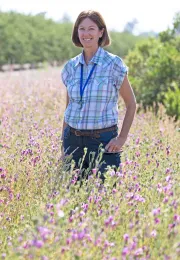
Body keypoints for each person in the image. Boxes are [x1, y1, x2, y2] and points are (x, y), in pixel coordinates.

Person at [61, 10, 136, 182]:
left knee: (105, 198)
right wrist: (63, 146)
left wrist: (122, 138)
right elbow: (68, 108)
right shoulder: (70, 67)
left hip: (103, 141)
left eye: (91, 29)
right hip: (72, 140)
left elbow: (131, 104)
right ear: (77, 32)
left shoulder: (114, 64)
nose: (86, 34)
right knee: (73, 199)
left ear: (101, 32)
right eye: (82, 29)